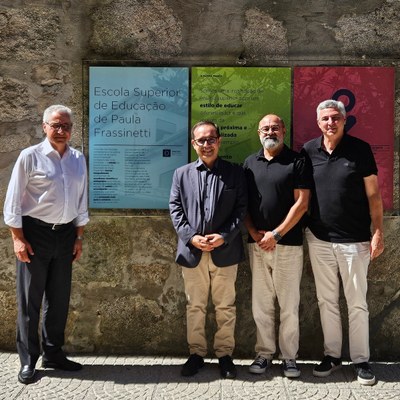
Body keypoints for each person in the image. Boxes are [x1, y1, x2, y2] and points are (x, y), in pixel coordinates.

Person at [3, 105, 89, 384]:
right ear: (44, 127)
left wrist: (78, 237)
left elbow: (81, 202)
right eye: (56, 125)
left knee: (59, 298)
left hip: (65, 235)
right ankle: (28, 360)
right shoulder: (30, 157)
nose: (61, 130)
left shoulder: (77, 158)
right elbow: (13, 202)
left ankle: (53, 353)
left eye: (66, 126)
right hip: (34, 235)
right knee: (30, 301)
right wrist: (18, 238)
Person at [301, 99, 384, 386]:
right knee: (326, 301)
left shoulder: (360, 150)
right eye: (325, 118)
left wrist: (378, 232)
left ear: (344, 120)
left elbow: (374, 195)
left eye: (335, 118)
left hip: (355, 239)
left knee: (357, 302)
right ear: (318, 122)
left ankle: (361, 360)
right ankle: (332, 355)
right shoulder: (309, 150)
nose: (330, 123)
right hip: (320, 237)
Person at [169, 120, 247, 379]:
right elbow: (175, 208)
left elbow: (241, 210)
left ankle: (225, 354)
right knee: (195, 305)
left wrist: (224, 236)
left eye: (211, 139)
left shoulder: (235, 173)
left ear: (219, 141)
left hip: (224, 251)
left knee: (226, 305)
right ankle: (197, 353)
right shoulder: (182, 173)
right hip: (193, 252)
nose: (206, 144)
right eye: (201, 140)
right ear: (193, 144)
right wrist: (191, 237)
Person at [243, 114, 311, 378]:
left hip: (288, 245)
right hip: (257, 244)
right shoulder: (250, 163)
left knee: (289, 304)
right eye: (265, 128)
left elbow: (302, 203)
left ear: (284, 130)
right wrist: (254, 233)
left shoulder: (298, 161)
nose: (270, 131)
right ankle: (264, 354)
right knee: (261, 304)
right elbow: (245, 204)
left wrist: (277, 234)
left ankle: (289, 357)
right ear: (258, 132)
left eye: (275, 127)